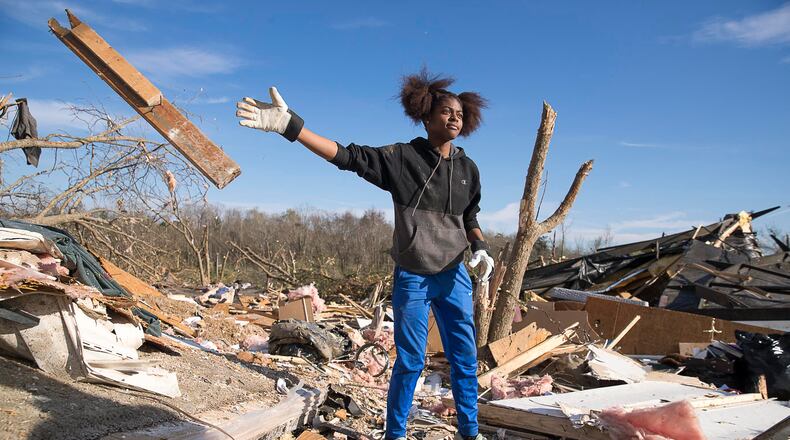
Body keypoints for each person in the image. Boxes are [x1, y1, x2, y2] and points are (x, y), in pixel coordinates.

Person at [236, 69, 495, 440]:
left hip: (454, 275)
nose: (454, 117)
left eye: (459, 113)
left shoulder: (469, 169)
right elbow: (347, 156)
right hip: (414, 275)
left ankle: (470, 433)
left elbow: (471, 216)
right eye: (445, 112)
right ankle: (396, 434)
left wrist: (481, 247)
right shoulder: (403, 158)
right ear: (425, 117)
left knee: (465, 360)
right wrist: (291, 127)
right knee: (409, 362)